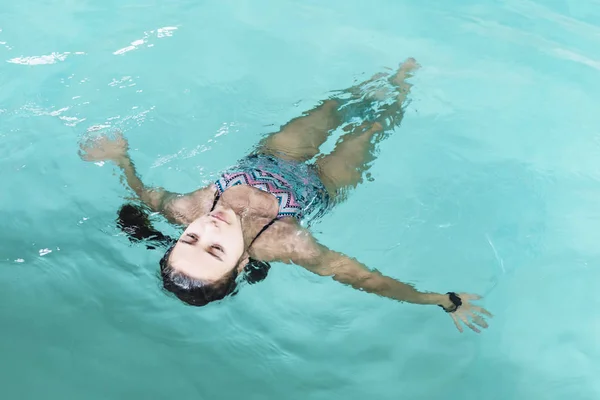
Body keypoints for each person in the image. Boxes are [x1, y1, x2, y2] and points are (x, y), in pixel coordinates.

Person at [80, 58, 492, 333]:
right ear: (242, 263)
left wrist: (121, 158)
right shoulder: (284, 243)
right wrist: (438, 300)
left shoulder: (188, 209)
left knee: (333, 107)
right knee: (372, 130)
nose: (207, 230)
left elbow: (144, 194)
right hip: (320, 185)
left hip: (272, 157)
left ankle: (382, 77)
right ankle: (403, 90)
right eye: (215, 251)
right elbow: (359, 277)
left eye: (191, 239)